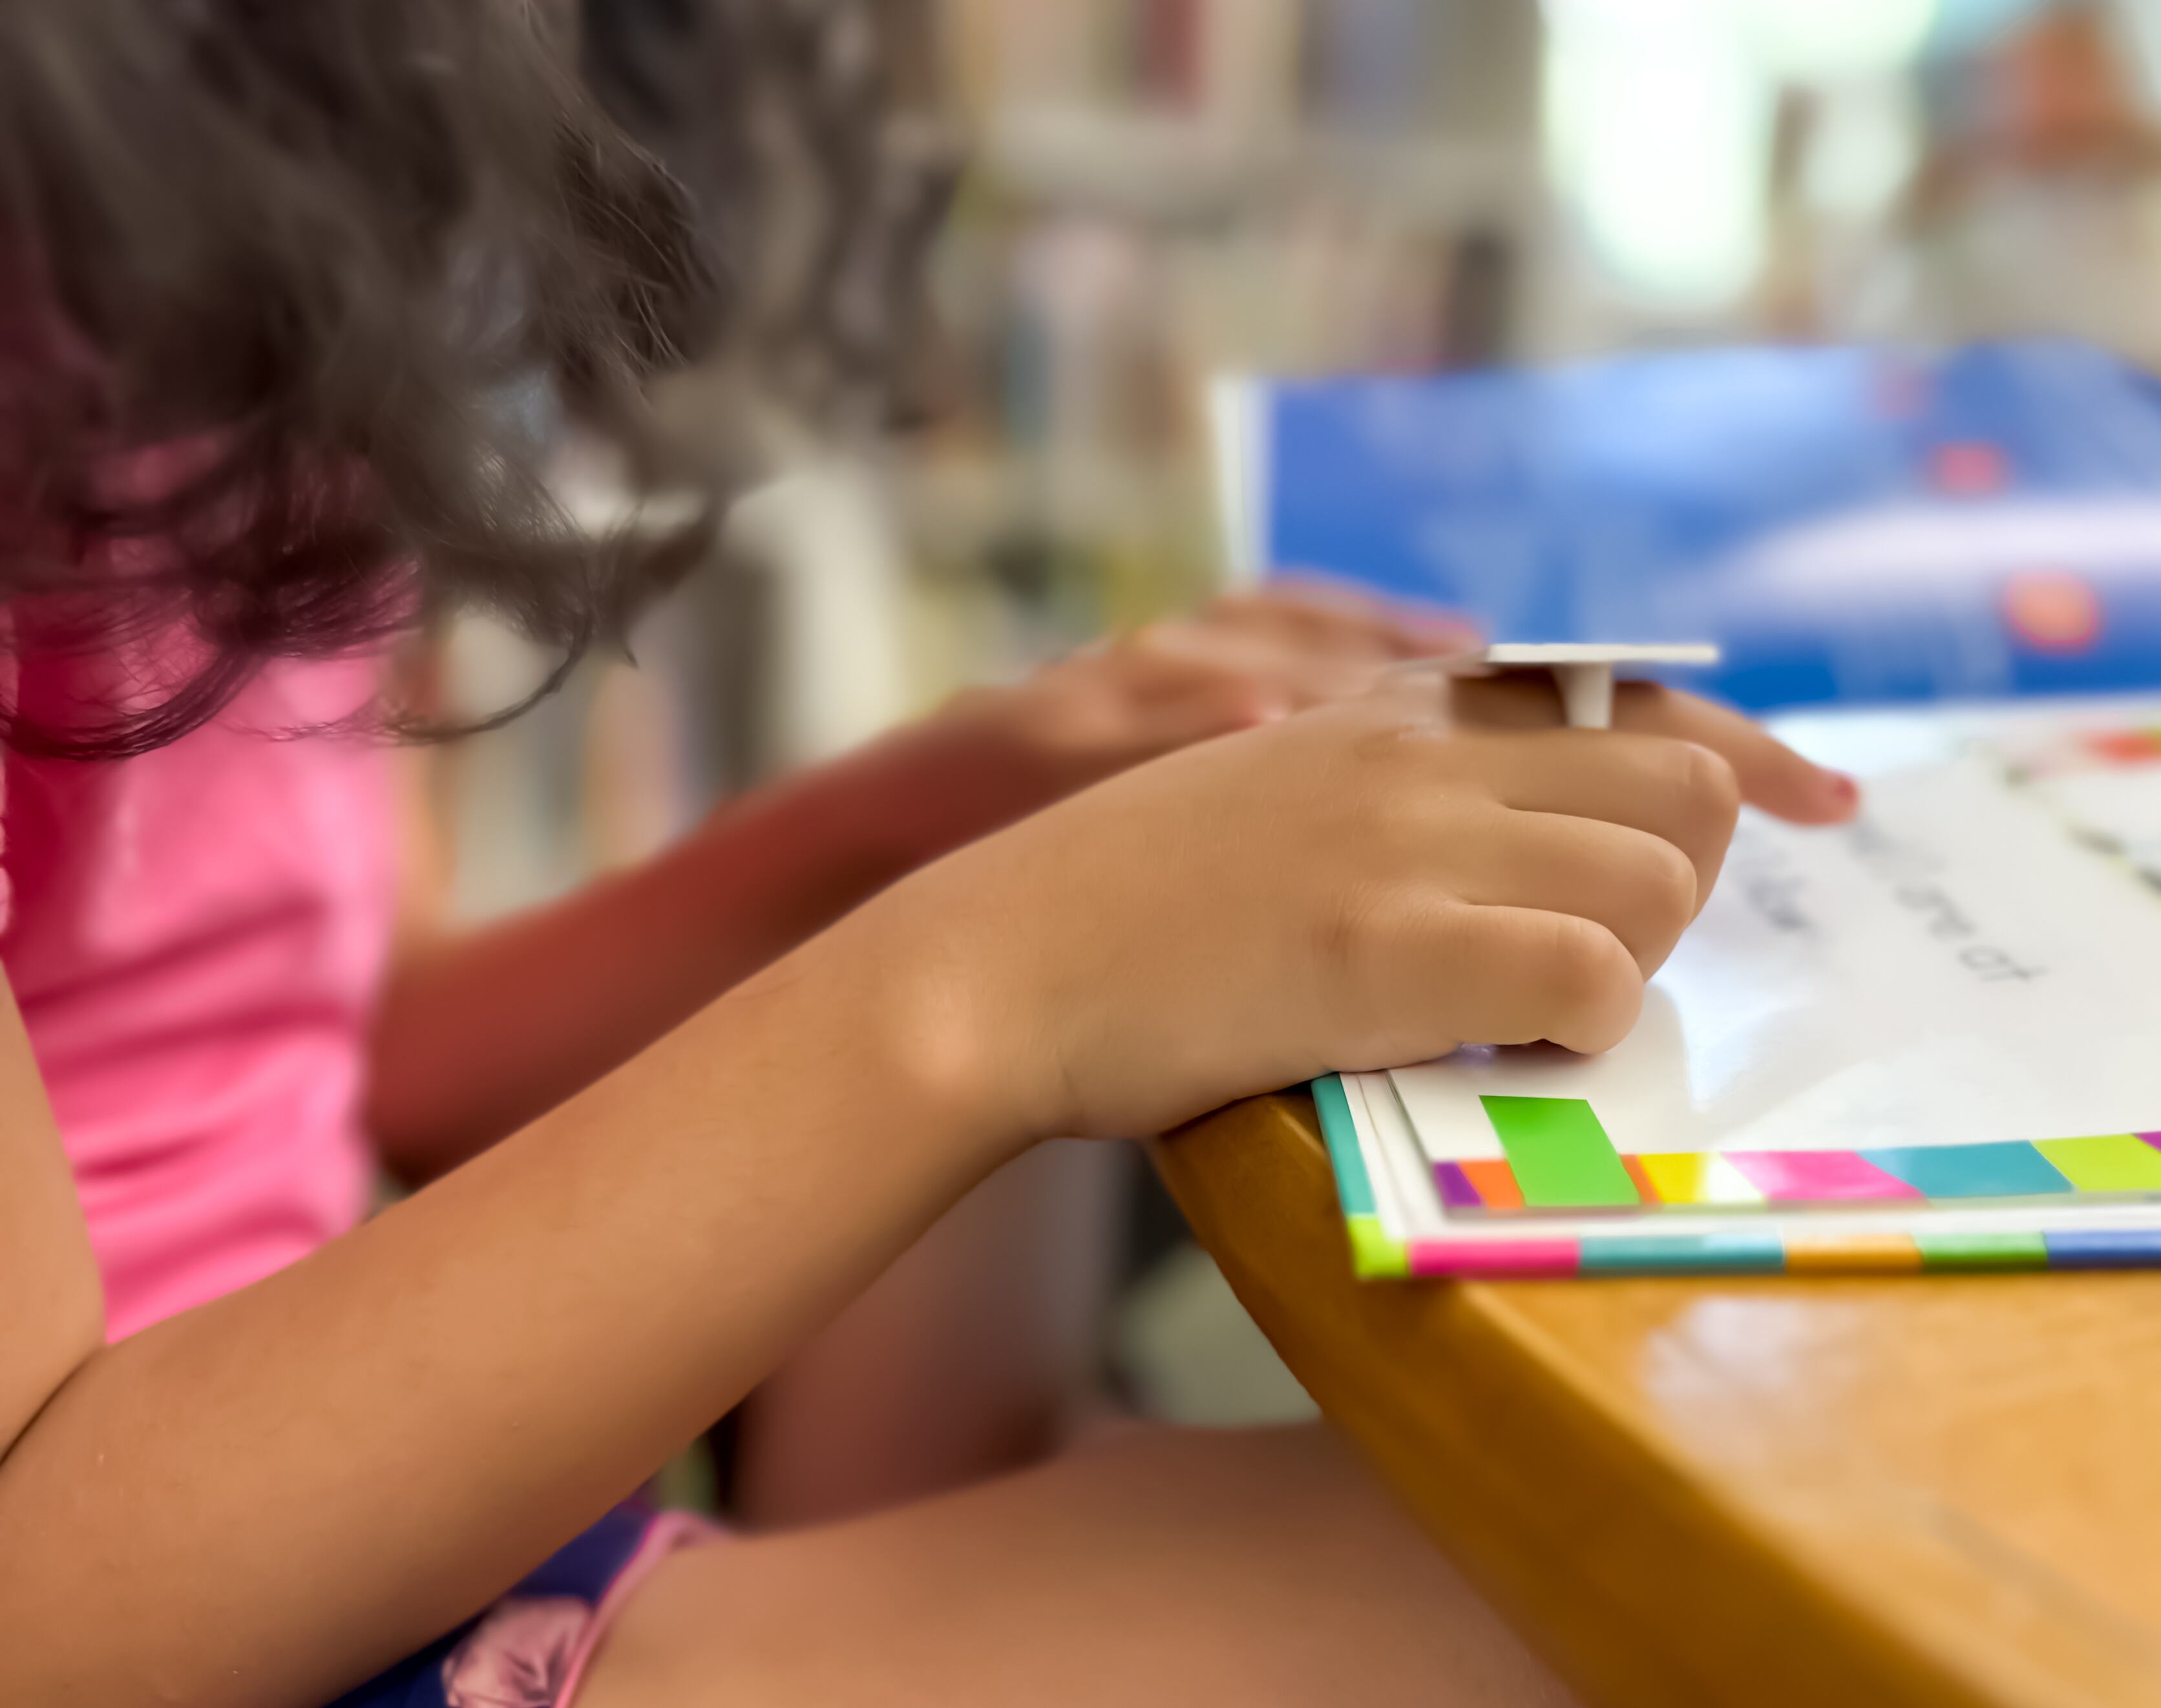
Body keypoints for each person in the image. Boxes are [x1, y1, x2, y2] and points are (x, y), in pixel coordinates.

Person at [0, 5, 1860, 1705]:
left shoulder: (244, 195)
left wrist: (916, 812)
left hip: (344, 1473)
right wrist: (1000, 973)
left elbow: (361, 1038)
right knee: (1693, 1603)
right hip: (181, 1591)